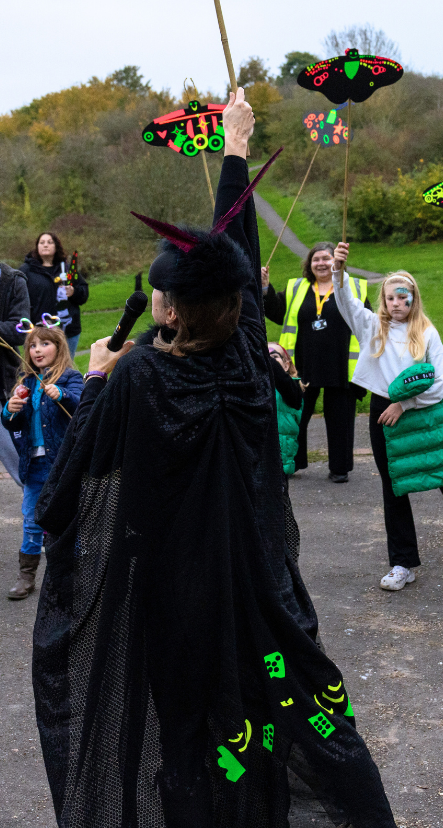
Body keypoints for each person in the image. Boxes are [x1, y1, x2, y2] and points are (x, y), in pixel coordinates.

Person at [32, 91, 396, 826]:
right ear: (237, 305)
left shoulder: (139, 376)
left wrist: (95, 379)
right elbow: (238, 256)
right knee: (286, 710)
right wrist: (235, 147)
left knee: (190, 740)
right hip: (264, 587)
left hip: (178, 600)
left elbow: (60, 499)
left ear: (168, 309)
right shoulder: (250, 363)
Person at [332, 245, 443, 590]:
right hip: (383, 412)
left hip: (421, 411)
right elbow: (346, 302)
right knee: (394, 486)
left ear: (414, 299)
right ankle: (403, 564)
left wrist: (406, 404)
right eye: (390, 298)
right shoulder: (371, 327)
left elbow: (440, 380)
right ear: (383, 300)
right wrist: (339, 271)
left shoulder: (426, 332)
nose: (396, 303)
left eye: (403, 297)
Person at [263, 243, 368, 482]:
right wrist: (265, 288)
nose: (321, 263)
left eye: (326, 258)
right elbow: (277, 312)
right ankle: (292, 462)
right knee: (294, 418)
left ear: (336, 261)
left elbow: (367, 322)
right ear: (309, 264)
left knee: (341, 420)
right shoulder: (297, 287)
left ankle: (339, 469)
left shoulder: (353, 287)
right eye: (316, 259)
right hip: (302, 366)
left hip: (341, 366)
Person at [1, 325, 82, 599]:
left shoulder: (70, 378)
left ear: (59, 348)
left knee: (68, 518)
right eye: (33, 346)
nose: (37, 350)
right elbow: (13, 423)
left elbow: (82, 405)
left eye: (45, 344)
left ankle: (75, 574)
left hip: (62, 464)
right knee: (31, 520)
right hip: (34, 465)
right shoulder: (26, 383)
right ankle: (27, 576)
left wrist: (63, 395)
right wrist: (9, 411)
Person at [20, 232, 88, 355]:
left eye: (50, 242)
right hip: (38, 332)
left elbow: (83, 294)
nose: (45, 245)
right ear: (37, 247)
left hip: (67, 331)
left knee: (65, 366)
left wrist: (73, 292)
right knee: (39, 366)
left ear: (56, 246)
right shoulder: (27, 271)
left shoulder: (67, 270)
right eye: (42, 242)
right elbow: (18, 298)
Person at [0, 259, 30, 484]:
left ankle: (38, 500)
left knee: (18, 460)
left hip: (4, 378)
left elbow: (21, 328)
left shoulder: (13, 281)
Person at [269, 341, 304, 475]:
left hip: (282, 452)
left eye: (274, 357)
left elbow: (284, 383)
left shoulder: (292, 388)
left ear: (286, 365)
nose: (270, 361)